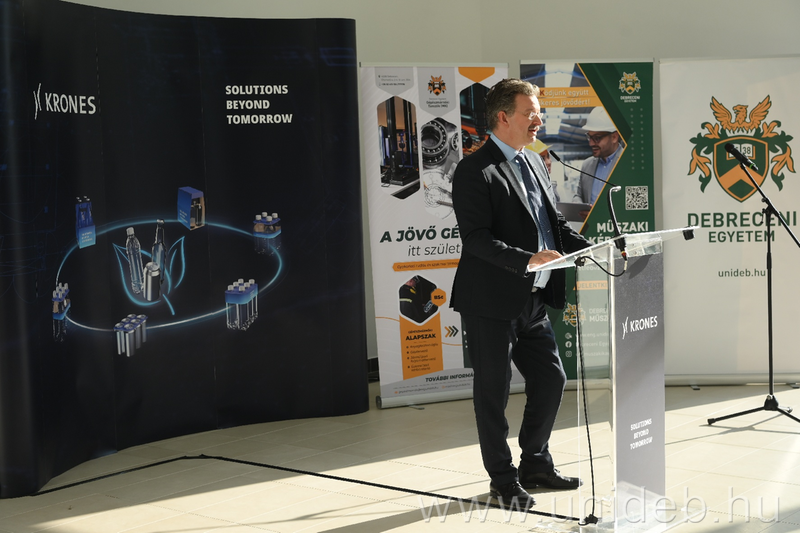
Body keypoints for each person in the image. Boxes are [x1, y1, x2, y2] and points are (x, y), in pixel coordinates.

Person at [451, 78, 590, 509]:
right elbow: (476, 239)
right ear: (503, 117)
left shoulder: (533, 162)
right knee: (492, 394)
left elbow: (555, 226)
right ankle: (503, 480)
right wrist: (529, 259)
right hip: (491, 301)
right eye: (530, 113)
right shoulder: (475, 169)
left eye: (539, 113)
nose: (538, 121)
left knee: (551, 379)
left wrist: (593, 248)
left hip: (533, 299)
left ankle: (535, 464)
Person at [573, 107, 623, 205]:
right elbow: (578, 195)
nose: (591, 143)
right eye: (589, 137)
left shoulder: (627, 162)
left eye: (597, 138)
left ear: (614, 137)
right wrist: (579, 205)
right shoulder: (587, 165)